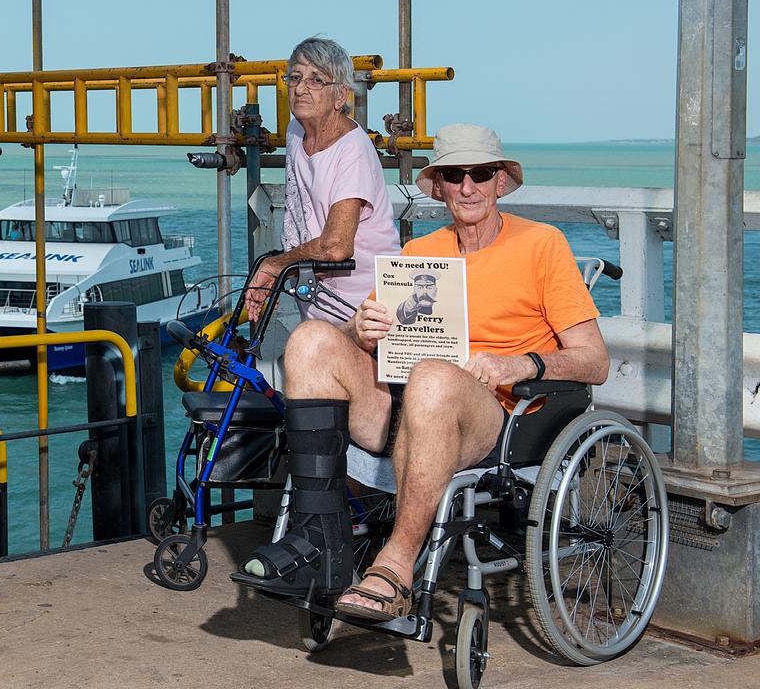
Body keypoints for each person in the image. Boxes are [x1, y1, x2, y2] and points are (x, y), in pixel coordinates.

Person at [236, 124, 609, 623]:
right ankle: (317, 537)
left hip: (500, 412)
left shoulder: (542, 245)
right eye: (455, 175)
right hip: (403, 403)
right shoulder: (418, 254)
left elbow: (594, 360)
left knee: (432, 378)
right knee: (310, 340)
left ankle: (395, 567)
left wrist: (521, 363)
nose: (468, 186)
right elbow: (353, 339)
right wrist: (358, 328)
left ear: (500, 182)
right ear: (440, 186)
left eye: (480, 174)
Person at [243, 36, 400, 325]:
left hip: (366, 308)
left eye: (316, 80)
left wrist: (276, 265)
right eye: (295, 77)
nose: (301, 89)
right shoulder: (296, 132)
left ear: (340, 96)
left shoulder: (352, 150)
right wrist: (284, 270)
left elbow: (336, 247)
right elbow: (299, 214)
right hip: (319, 300)